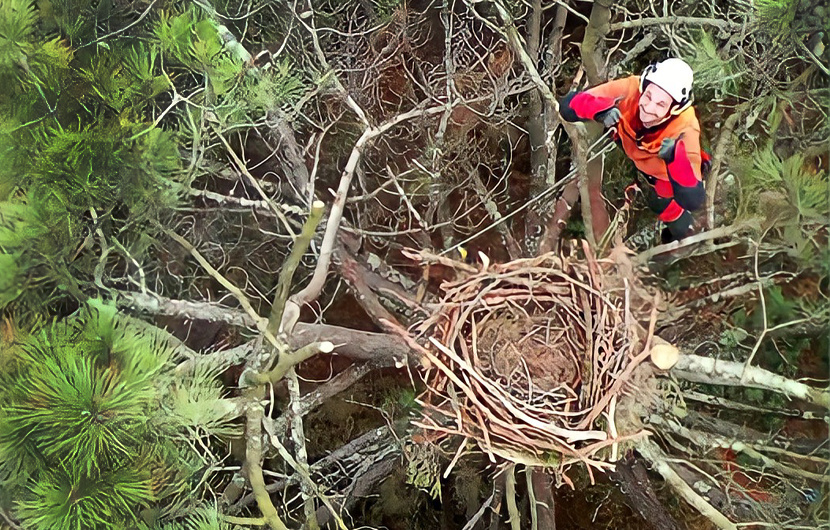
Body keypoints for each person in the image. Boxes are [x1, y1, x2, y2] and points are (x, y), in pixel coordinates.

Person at [559, 58, 709, 243]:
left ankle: (682, 234)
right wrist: (599, 111)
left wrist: (674, 158)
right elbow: (569, 105)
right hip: (629, 147)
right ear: (643, 87)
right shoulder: (630, 88)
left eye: (661, 104)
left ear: (674, 108)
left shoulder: (686, 127)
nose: (648, 107)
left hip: (661, 173)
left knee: (661, 203)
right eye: (648, 96)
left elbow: (693, 198)